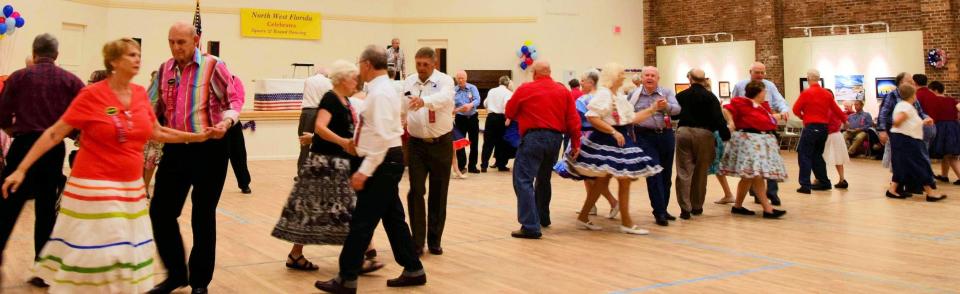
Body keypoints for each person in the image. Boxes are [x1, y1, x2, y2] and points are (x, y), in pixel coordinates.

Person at [3, 38, 211, 293]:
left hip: (130, 192)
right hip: (94, 189)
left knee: (123, 258)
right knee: (101, 257)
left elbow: (156, 131)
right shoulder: (91, 94)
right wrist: (21, 169)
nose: (137, 59)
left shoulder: (139, 95)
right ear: (113, 61)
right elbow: (54, 134)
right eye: (131, 55)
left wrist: (196, 137)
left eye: (138, 54)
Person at [315, 45, 426, 294]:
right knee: (393, 219)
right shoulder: (378, 91)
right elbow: (375, 131)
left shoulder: (381, 93)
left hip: (382, 162)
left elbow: (384, 138)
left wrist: (365, 169)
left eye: (359, 64)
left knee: (362, 221)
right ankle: (413, 268)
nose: (358, 70)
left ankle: (346, 277)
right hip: (384, 160)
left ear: (366, 64)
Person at [146, 22, 244, 294]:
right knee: (160, 212)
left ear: (196, 40)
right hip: (176, 148)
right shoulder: (165, 69)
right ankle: (177, 274)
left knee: (202, 216)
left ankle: (200, 283)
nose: (176, 47)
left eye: (181, 42)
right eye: (171, 42)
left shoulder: (213, 66)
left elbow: (234, 101)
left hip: (210, 149)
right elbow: (151, 105)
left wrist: (226, 123)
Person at [272, 60, 384, 274]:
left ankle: (297, 255)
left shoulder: (344, 100)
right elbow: (321, 127)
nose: (356, 82)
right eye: (353, 78)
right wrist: (343, 142)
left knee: (320, 211)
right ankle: (360, 256)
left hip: (336, 162)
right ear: (342, 79)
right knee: (343, 210)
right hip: (325, 163)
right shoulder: (330, 98)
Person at [0, 33, 85, 288]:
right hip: (53, 150)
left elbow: (2, 115)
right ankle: (43, 268)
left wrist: (15, 132)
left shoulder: (18, 77)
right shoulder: (71, 81)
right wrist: (70, 133)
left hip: (23, 148)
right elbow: (83, 114)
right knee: (47, 209)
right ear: (57, 55)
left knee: (7, 207)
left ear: (34, 53)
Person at [570, 63, 662, 235]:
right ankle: (626, 222)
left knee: (605, 181)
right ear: (613, 76)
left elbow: (631, 118)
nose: (623, 76)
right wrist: (612, 131)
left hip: (618, 138)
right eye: (620, 74)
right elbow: (592, 117)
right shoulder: (604, 94)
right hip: (607, 139)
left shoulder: (618, 95)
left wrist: (652, 109)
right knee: (620, 179)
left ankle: (584, 217)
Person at [506, 60, 581, 239]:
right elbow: (573, 119)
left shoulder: (525, 88)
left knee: (523, 180)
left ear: (534, 73)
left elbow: (510, 111)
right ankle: (543, 217)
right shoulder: (563, 91)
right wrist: (576, 144)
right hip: (555, 139)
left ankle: (530, 225)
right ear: (550, 72)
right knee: (544, 178)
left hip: (533, 137)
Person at [403, 47, 455, 255]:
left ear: (434, 64)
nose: (421, 68)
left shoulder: (445, 81)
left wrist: (424, 101)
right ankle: (417, 242)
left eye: (425, 64)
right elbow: (402, 104)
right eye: (418, 64)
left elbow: (444, 98)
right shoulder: (409, 81)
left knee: (438, 193)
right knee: (415, 191)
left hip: (441, 143)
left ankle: (434, 240)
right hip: (416, 145)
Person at [720, 80, 788, 219]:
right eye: (764, 91)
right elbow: (727, 109)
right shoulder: (741, 101)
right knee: (756, 175)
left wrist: (779, 116)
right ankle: (767, 209)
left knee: (749, 176)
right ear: (759, 92)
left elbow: (767, 120)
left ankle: (738, 206)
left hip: (761, 141)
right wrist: (731, 122)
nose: (765, 94)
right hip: (750, 142)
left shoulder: (762, 106)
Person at [673, 68, 730, 222]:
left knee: (684, 172)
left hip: (684, 133)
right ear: (704, 79)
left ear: (690, 79)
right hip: (705, 135)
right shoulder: (710, 97)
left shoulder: (682, 95)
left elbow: (674, 114)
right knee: (700, 172)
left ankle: (685, 208)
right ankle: (697, 206)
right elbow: (719, 119)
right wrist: (726, 135)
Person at [628, 66, 681, 222]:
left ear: (658, 78)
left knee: (666, 175)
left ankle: (663, 208)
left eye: (653, 75)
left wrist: (667, 107)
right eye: (647, 75)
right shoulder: (634, 95)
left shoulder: (667, 93)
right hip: (644, 137)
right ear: (642, 78)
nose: (649, 78)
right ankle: (658, 212)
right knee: (654, 173)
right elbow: (627, 114)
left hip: (665, 135)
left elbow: (678, 109)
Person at [732, 62, 789, 205]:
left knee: (770, 162)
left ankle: (772, 193)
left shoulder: (769, 86)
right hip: (749, 132)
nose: (760, 75)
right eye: (757, 72)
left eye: (763, 73)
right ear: (750, 71)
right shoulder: (740, 86)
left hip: (766, 129)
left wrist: (784, 110)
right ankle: (758, 196)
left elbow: (779, 100)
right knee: (754, 166)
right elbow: (732, 105)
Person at [886, 84, 948, 202]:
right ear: (913, 95)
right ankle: (930, 193)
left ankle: (892, 189)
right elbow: (898, 120)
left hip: (902, 138)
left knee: (902, 164)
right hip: (907, 139)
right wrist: (899, 122)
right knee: (920, 164)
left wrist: (923, 122)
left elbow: (907, 122)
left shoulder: (903, 105)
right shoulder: (906, 107)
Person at [573, 70, 618, 218]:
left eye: (583, 81)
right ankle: (591, 205)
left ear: (591, 82)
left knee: (591, 175)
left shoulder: (583, 100)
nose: (580, 83)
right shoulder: (603, 97)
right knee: (588, 175)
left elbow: (576, 120)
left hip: (588, 137)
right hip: (602, 136)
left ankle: (612, 202)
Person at [792, 69, 845, 194]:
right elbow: (837, 110)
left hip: (811, 127)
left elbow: (795, 109)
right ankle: (824, 182)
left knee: (804, 154)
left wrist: (803, 117)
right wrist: (845, 119)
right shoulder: (826, 94)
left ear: (808, 79)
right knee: (817, 155)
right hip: (824, 129)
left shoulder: (807, 93)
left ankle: (805, 185)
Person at [298, 68, 333, 173]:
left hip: (307, 112)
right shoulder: (329, 82)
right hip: (322, 113)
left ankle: (302, 173)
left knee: (304, 143)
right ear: (326, 75)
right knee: (321, 143)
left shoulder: (308, 80)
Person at [925, 81, 960, 184]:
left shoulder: (934, 100)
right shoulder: (951, 99)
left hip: (942, 128)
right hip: (953, 127)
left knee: (950, 155)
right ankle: (944, 175)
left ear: (935, 90)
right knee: (947, 154)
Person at [481, 76, 513, 172]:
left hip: (490, 118)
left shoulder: (491, 91)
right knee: (501, 142)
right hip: (501, 118)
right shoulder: (508, 93)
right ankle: (501, 165)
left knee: (487, 143)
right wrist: (508, 119)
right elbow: (507, 106)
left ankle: (484, 165)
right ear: (507, 83)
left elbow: (485, 103)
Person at [226, 75, 252, 194]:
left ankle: (244, 183)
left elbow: (239, 99)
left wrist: (230, 116)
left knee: (239, 154)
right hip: (214, 122)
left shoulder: (234, 80)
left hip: (232, 122)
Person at [453, 70, 481, 174]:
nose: (460, 80)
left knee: (474, 142)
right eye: (458, 78)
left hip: (472, 117)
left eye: (462, 78)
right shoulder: (454, 91)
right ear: (456, 79)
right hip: (460, 119)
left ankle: (473, 166)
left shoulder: (472, 88)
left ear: (466, 78)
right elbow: (451, 104)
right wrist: (459, 109)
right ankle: (461, 166)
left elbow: (477, 100)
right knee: (460, 143)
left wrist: (470, 105)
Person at [821, 89, 850, 189]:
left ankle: (820, 178)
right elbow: (845, 121)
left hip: (829, 135)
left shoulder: (827, 109)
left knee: (820, 157)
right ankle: (842, 179)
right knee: (838, 159)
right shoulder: (835, 107)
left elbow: (824, 123)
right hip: (837, 135)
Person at [913, 74, 938, 149]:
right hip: (933, 126)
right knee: (925, 152)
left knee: (920, 154)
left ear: (915, 83)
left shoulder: (915, 95)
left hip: (921, 127)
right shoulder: (933, 95)